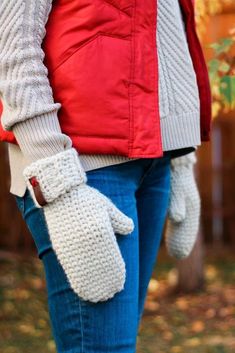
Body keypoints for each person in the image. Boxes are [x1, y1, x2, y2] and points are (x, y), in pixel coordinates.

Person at [0, 0, 211, 352]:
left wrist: (181, 156)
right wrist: (59, 183)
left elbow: (166, 29)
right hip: (77, 166)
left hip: (154, 160)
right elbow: (11, 43)